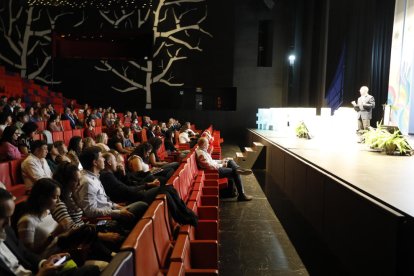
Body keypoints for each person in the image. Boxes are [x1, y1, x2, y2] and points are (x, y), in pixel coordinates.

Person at [0, 187, 100, 276]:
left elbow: (25, 253)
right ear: (42, 198)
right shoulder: (27, 220)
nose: (8, 224)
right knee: (91, 270)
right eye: (3, 218)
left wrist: (44, 263)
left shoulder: (7, 231)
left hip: (47, 260)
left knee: (89, 232)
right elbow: (32, 249)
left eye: (10, 217)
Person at [74, 146, 148, 228]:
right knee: (142, 205)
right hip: (104, 220)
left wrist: (116, 206)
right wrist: (117, 212)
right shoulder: (87, 182)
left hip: (111, 211)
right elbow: (90, 212)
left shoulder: (94, 176)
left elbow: (103, 200)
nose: (104, 159)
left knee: (141, 203)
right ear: (95, 162)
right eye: (101, 157)